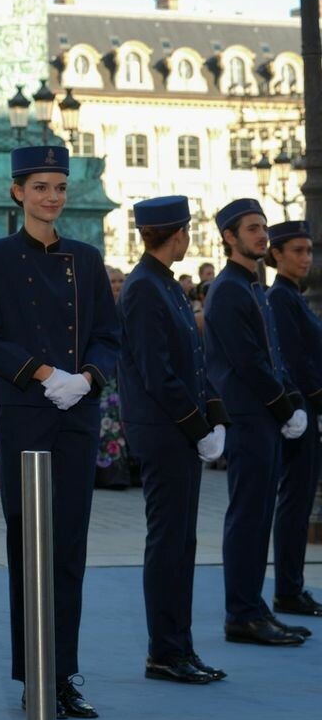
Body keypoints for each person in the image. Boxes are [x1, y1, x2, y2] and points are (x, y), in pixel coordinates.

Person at [0, 142, 119, 720]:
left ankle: (63, 674)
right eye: (40, 188)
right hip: (26, 410)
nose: (51, 197)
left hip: (77, 411)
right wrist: (43, 372)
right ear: (17, 192)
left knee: (71, 544)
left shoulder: (86, 258)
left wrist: (86, 377)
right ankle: (34, 675)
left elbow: (108, 334)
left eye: (59, 188)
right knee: (29, 543)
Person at [118, 198, 229, 685]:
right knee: (168, 542)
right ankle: (164, 651)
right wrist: (198, 427)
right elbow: (157, 372)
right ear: (178, 233)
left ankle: (180, 646)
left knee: (182, 542)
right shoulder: (146, 287)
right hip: (164, 431)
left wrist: (214, 416)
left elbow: (194, 362)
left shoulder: (162, 283)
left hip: (176, 430)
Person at [203, 198, 309, 647]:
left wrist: (287, 403)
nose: (262, 234)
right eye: (252, 228)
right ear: (229, 237)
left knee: (260, 513)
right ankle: (242, 613)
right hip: (248, 417)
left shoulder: (250, 284)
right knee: (248, 515)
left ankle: (254, 606)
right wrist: (286, 407)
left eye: (263, 227)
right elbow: (249, 361)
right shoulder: (229, 288)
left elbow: (272, 356)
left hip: (262, 416)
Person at [265, 220, 322, 620]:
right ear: (277, 255)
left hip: (306, 408)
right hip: (299, 412)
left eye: (309, 250)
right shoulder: (281, 298)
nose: (307, 258)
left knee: (299, 500)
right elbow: (294, 361)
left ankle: (292, 585)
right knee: (295, 499)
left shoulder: (292, 296)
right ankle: (287, 588)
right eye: (298, 251)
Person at [95, 266, 132, 490]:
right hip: (106, 373)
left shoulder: (130, 304)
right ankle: (109, 473)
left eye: (120, 281)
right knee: (108, 422)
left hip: (125, 372)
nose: (117, 285)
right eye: (113, 281)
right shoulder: (98, 307)